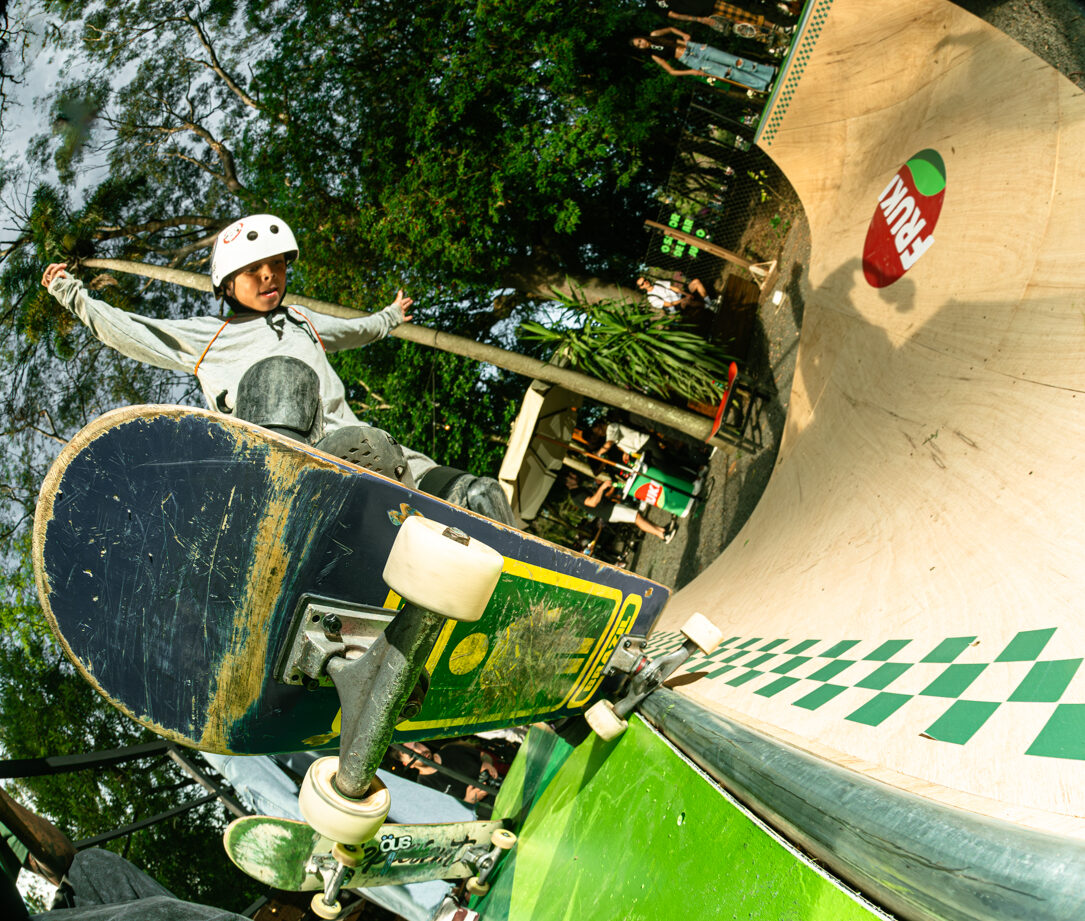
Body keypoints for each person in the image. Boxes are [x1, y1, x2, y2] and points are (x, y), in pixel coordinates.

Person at [41, 214, 516, 524]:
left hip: (364, 455)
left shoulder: (303, 320)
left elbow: (357, 329)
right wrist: (72, 294)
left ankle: (526, 583)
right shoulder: (211, 335)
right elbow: (134, 331)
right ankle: (291, 500)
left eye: (276, 266)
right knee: (282, 376)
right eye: (254, 271)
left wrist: (390, 316)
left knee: (478, 495)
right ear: (228, 285)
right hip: (280, 468)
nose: (269, 276)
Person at [630, 28, 777, 93]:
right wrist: (692, 72)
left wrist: (684, 35)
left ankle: (769, 72)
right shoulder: (654, 56)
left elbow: (671, 28)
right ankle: (762, 85)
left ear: (642, 37)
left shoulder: (655, 34)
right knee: (728, 73)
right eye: (639, 45)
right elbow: (671, 71)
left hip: (694, 48)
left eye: (640, 41)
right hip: (690, 61)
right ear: (640, 49)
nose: (642, 44)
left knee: (734, 61)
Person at [564, 472, 675, 542]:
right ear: (567, 482)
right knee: (636, 518)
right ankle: (662, 535)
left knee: (637, 516)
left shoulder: (578, 490)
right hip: (609, 511)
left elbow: (598, 499)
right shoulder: (576, 494)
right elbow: (592, 502)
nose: (574, 476)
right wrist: (601, 488)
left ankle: (662, 530)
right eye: (570, 476)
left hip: (609, 508)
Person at [635, 275, 713, 314]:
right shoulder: (651, 298)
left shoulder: (658, 283)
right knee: (687, 301)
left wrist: (686, 294)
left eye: (645, 280)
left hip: (679, 296)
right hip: (675, 306)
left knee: (696, 282)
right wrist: (683, 299)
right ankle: (710, 307)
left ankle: (709, 302)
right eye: (642, 284)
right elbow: (669, 304)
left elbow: (674, 288)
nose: (645, 282)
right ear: (641, 287)